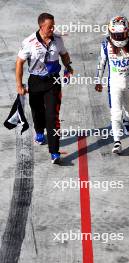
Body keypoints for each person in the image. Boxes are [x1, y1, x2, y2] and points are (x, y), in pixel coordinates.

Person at [16, 13, 73, 164]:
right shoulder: (29, 42)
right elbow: (19, 63)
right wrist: (19, 84)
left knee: (52, 116)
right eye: (49, 27)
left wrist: (68, 66)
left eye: (53, 26)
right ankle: (39, 131)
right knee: (37, 110)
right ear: (41, 26)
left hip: (53, 81)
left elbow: (64, 54)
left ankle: (55, 152)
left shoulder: (58, 39)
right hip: (35, 81)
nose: (52, 29)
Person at [95, 16, 129, 154]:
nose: (118, 38)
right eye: (116, 35)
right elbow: (101, 63)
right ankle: (117, 141)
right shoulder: (105, 45)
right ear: (110, 33)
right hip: (114, 84)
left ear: (127, 32)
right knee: (115, 113)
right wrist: (98, 80)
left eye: (121, 35)